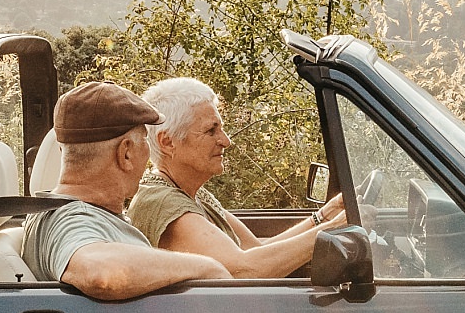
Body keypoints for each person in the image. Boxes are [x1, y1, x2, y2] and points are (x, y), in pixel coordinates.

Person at [21, 82, 229, 299]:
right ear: (126, 153)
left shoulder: (78, 214)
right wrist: (206, 267)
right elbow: (101, 273)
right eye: (145, 140)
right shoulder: (71, 220)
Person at [128, 77, 345, 278]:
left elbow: (255, 251)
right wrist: (336, 228)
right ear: (167, 142)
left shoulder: (193, 193)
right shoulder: (162, 202)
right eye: (211, 131)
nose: (226, 140)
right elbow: (246, 270)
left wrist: (326, 215)